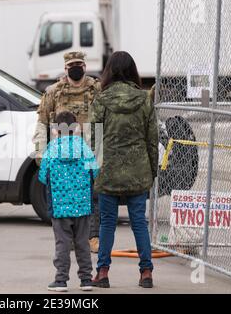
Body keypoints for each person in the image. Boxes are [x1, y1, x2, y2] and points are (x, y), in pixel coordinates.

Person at [89, 51, 159, 288]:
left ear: (109, 71)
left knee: (107, 222)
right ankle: (146, 272)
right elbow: (152, 139)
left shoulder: (101, 100)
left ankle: (103, 272)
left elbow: (94, 139)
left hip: (108, 170)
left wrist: (94, 170)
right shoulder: (144, 99)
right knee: (138, 221)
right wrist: (152, 169)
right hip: (138, 170)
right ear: (132, 71)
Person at [32, 51, 102, 253]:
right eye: (72, 65)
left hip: (88, 152)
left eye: (79, 63)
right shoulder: (54, 92)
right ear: (65, 68)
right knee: (63, 198)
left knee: (92, 196)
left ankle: (93, 237)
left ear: (85, 66)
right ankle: (68, 239)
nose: (76, 67)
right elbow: (42, 124)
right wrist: (40, 152)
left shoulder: (96, 89)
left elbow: (104, 122)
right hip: (61, 156)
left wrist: (101, 155)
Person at [38, 111, 99, 292]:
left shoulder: (51, 149)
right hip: (82, 205)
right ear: (77, 128)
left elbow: (43, 176)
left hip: (59, 206)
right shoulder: (85, 148)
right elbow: (94, 173)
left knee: (62, 243)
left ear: (56, 130)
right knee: (82, 242)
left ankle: (61, 280)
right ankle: (86, 279)